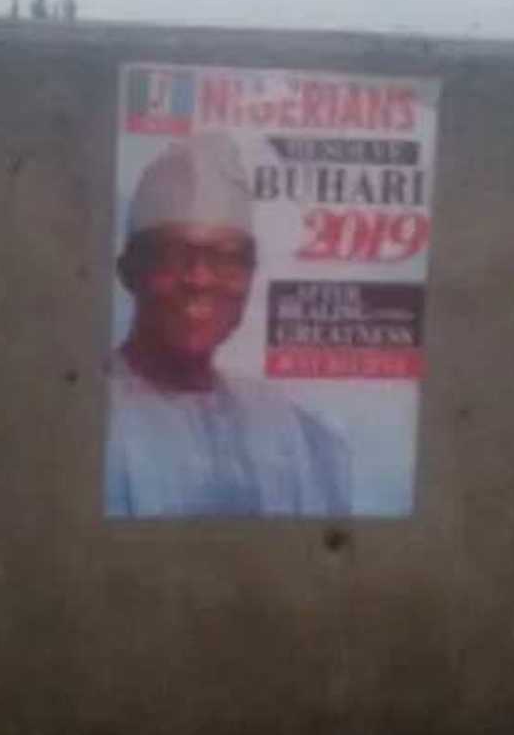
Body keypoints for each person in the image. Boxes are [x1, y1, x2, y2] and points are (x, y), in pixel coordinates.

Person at [106, 132, 351, 518]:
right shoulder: (86, 416)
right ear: (128, 271)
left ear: (250, 277)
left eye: (226, 258)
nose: (200, 279)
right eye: (173, 255)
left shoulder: (288, 428)